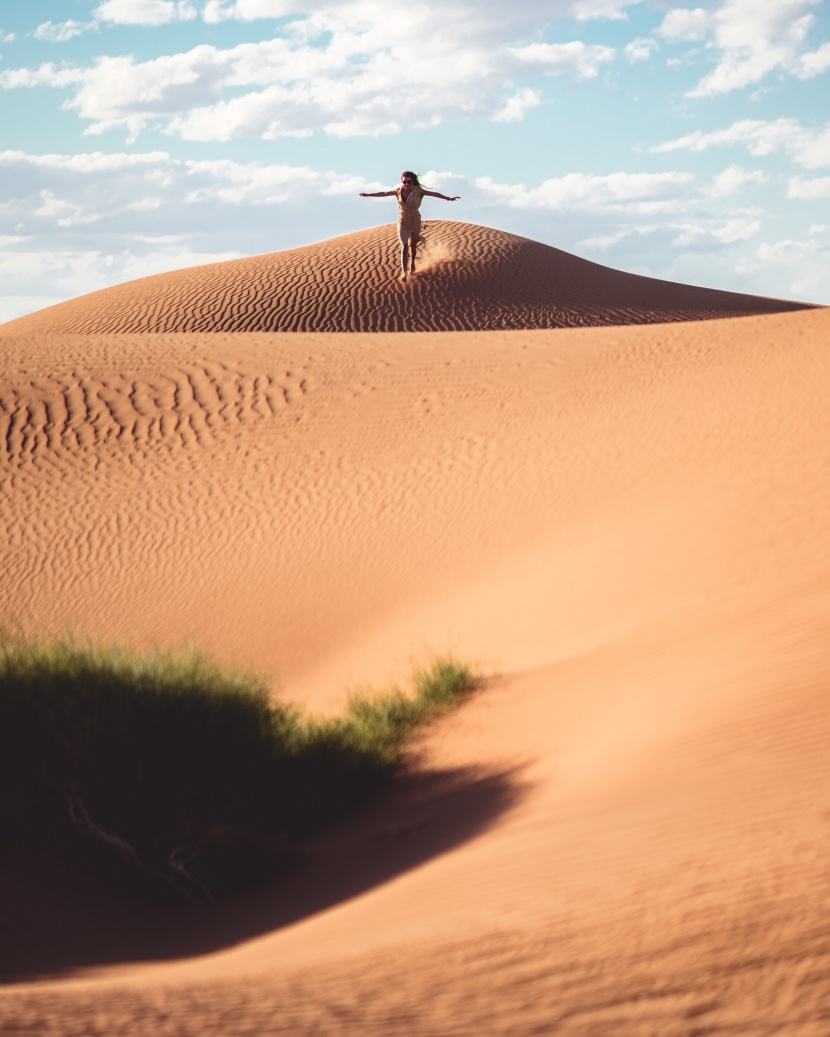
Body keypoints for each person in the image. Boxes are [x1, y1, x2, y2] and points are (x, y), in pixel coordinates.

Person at [359, 171, 460, 282]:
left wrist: (448, 198)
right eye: (404, 181)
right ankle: (404, 272)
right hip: (403, 219)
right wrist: (368, 195)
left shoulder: (419, 191)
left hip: (415, 219)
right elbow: (384, 193)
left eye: (408, 181)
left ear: (413, 181)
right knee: (404, 245)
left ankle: (412, 264)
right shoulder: (398, 191)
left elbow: (434, 194)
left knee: (413, 245)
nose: (406, 184)